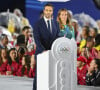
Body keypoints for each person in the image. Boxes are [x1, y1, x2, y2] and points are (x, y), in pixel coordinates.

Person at [33, 3, 60, 90]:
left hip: (52, 54)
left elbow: (57, 38)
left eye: (50, 10)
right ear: (44, 11)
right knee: (39, 75)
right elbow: (37, 39)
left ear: (52, 12)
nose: (48, 12)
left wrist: (54, 50)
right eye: (47, 10)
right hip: (41, 53)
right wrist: (43, 50)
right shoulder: (38, 24)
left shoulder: (56, 23)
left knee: (51, 76)